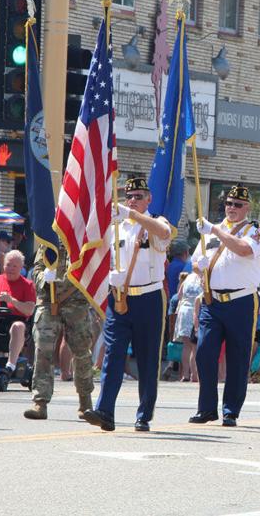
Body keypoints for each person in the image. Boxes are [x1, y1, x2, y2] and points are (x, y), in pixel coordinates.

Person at [83, 177, 172, 432]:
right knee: (113, 353)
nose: (132, 200)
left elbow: (164, 234)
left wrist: (131, 214)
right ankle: (105, 411)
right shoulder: (117, 225)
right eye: (129, 196)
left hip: (148, 298)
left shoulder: (156, 221)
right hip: (119, 297)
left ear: (149, 199)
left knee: (147, 357)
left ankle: (144, 414)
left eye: (138, 196)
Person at [189, 184, 260, 427]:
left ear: (248, 207)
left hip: (241, 301)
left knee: (238, 357)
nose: (231, 208)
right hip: (213, 302)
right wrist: (199, 266)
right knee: (204, 353)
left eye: (237, 204)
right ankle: (207, 408)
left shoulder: (255, 231)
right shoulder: (212, 231)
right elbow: (195, 262)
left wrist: (215, 229)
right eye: (228, 203)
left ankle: (231, 410)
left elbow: (243, 250)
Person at [23, 244, 95, 421]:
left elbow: (91, 265)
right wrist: (43, 278)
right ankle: (40, 402)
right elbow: (37, 267)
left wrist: (71, 282)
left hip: (76, 300)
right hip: (48, 300)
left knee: (81, 352)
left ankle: (85, 401)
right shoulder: (49, 239)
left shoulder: (81, 236)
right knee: (43, 350)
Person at [0, 250, 36, 377]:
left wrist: (12, 301)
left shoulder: (28, 285)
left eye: (14, 266)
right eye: (8, 265)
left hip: (16, 319)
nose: (10, 268)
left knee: (18, 326)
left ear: (21, 268)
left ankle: (10, 365)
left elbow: (29, 309)